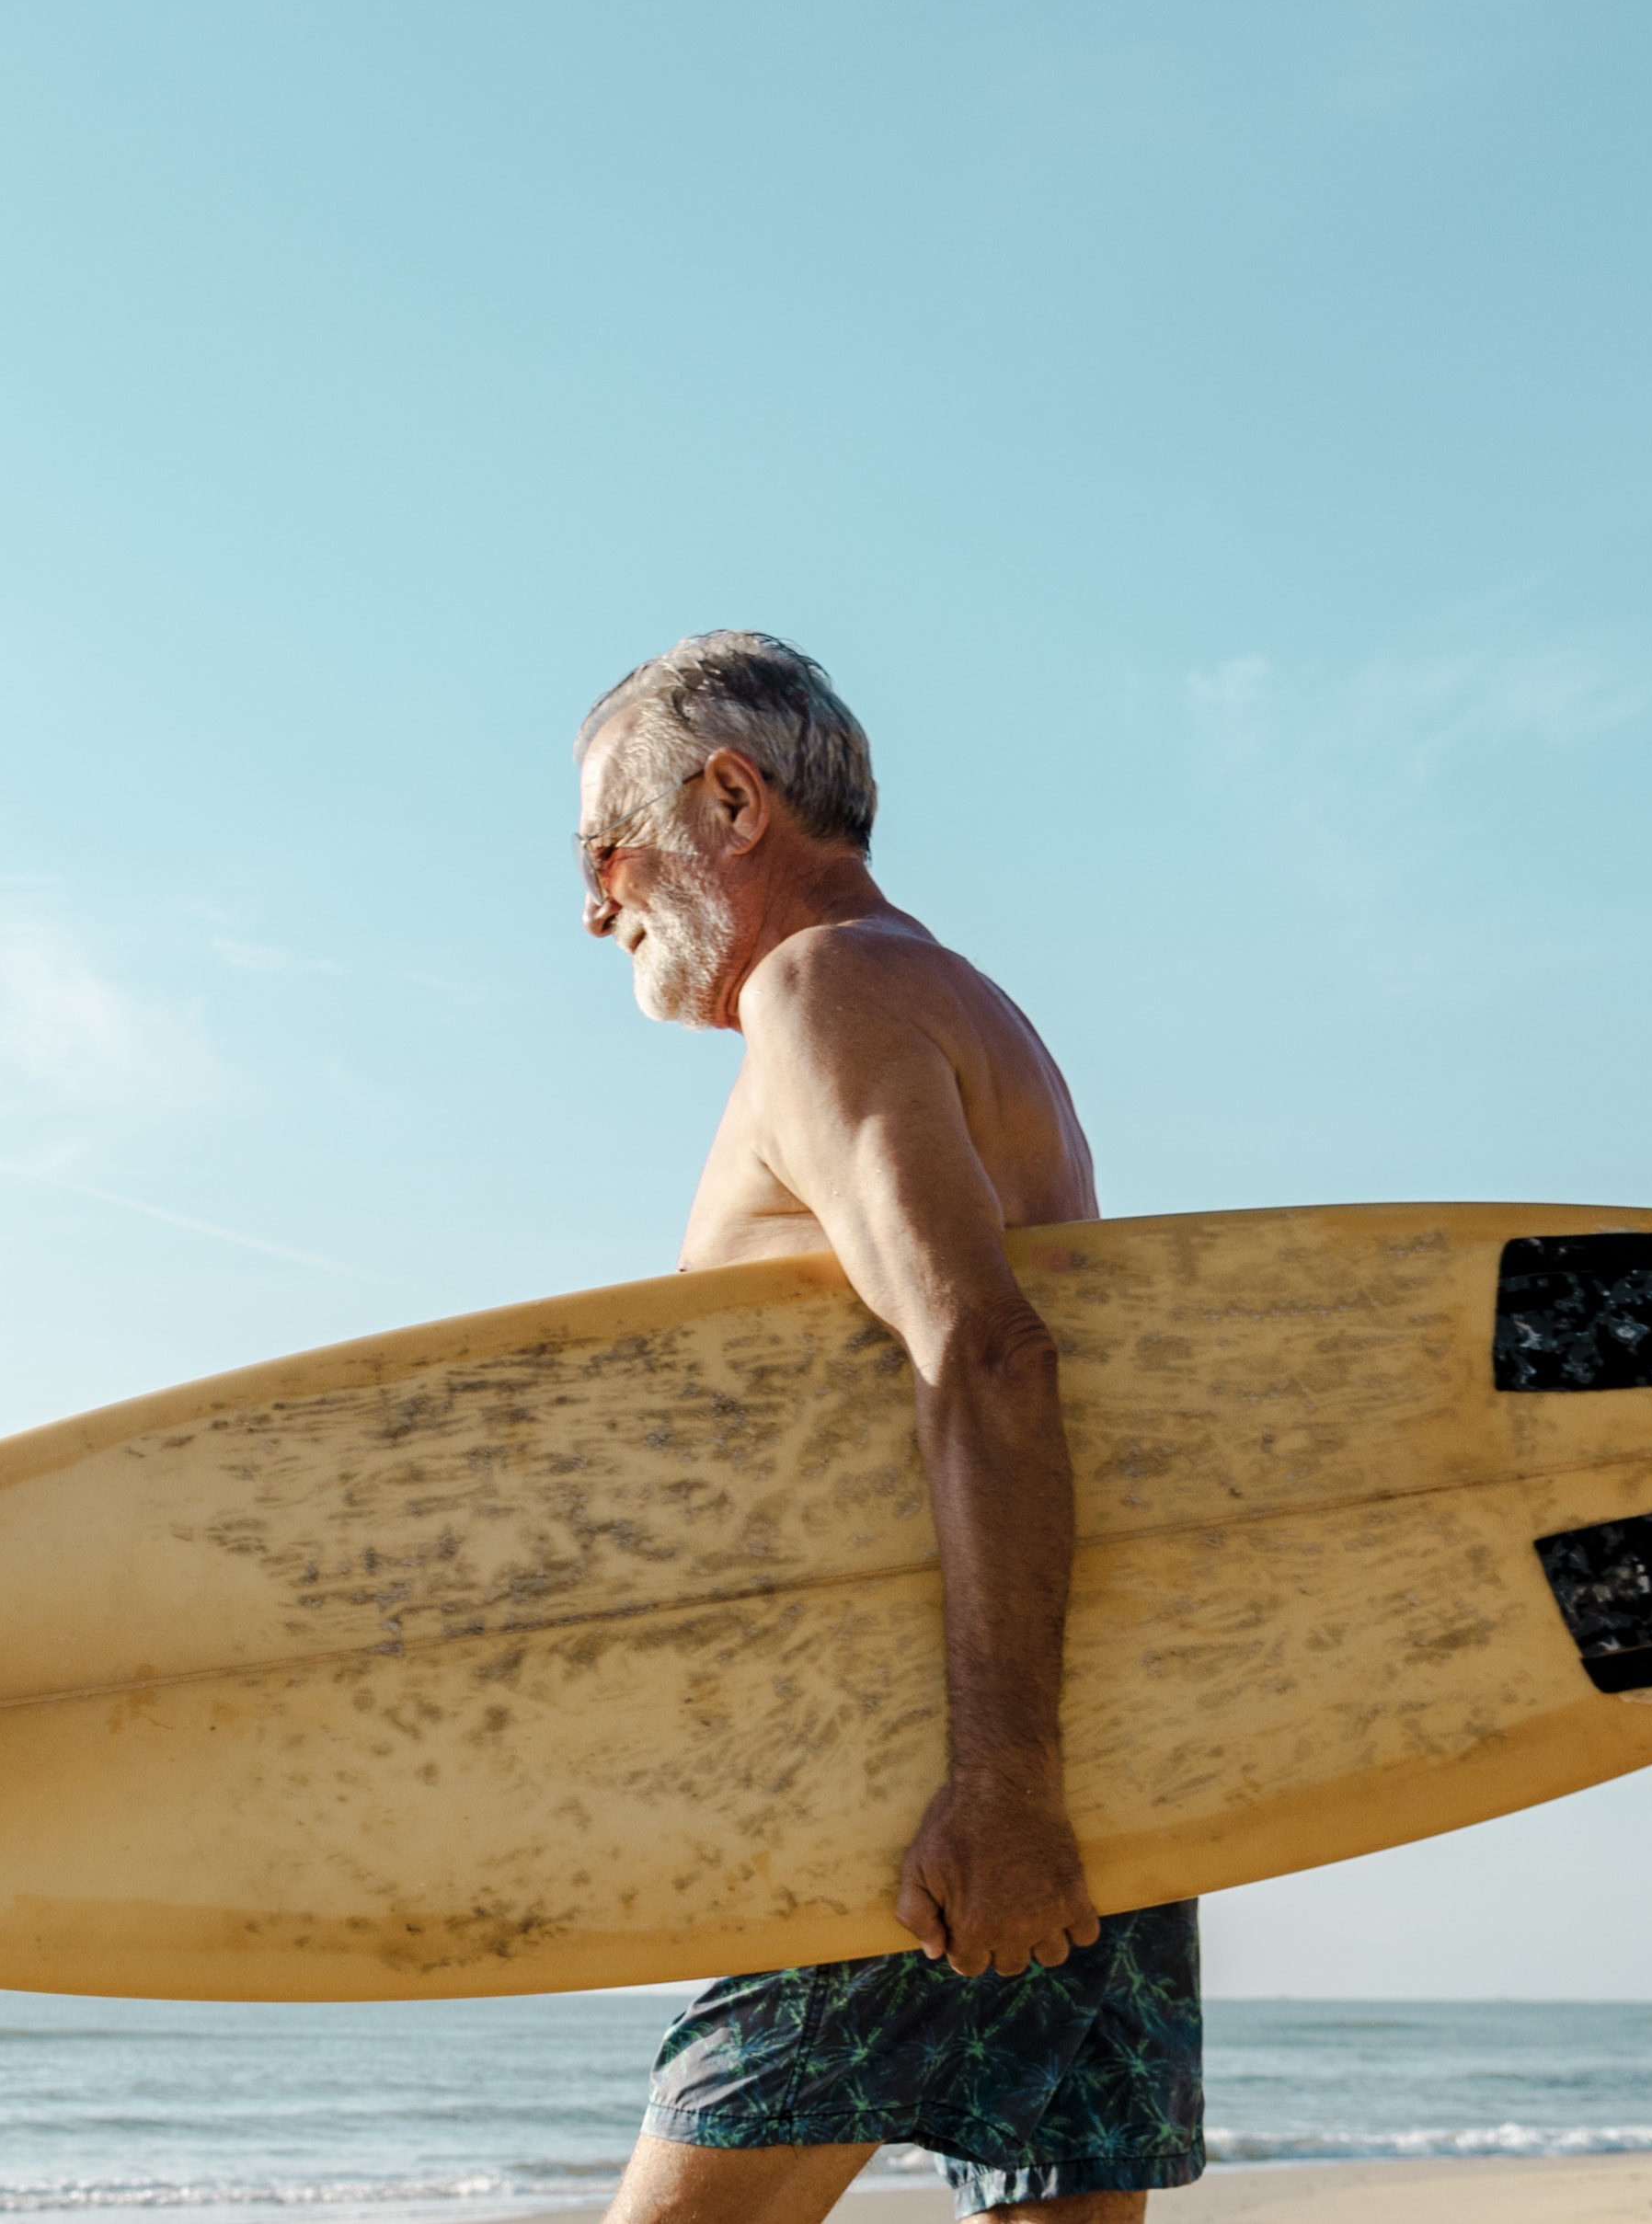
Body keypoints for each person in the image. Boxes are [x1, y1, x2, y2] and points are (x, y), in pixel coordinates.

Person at [572, 633, 1203, 2224]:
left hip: (925, 1778)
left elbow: (988, 1354)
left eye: (605, 845)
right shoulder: (962, 1005)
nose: (595, 902)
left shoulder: (822, 986)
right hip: (1072, 1758)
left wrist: (998, 1785)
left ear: (730, 799)